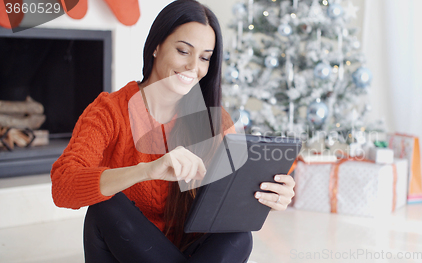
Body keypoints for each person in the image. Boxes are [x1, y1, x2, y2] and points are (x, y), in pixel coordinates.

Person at [50, 0, 296, 262]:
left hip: (189, 253)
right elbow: (63, 186)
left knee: (239, 235)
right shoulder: (109, 111)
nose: (193, 67)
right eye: (183, 51)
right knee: (106, 206)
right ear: (156, 46)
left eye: (204, 58)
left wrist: (274, 195)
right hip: (127, 251)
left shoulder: (215, 121)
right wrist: (147, 171)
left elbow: (228, 203)